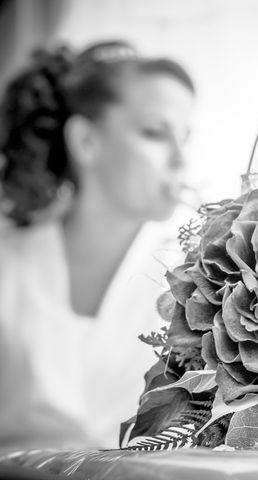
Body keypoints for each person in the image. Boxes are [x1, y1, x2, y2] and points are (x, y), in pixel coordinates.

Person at [0, 41, 195, 450]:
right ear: (87, 141)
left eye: (185, 137)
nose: (180, 159)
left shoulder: (195, 273)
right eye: (156, 133)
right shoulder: (9, 263)